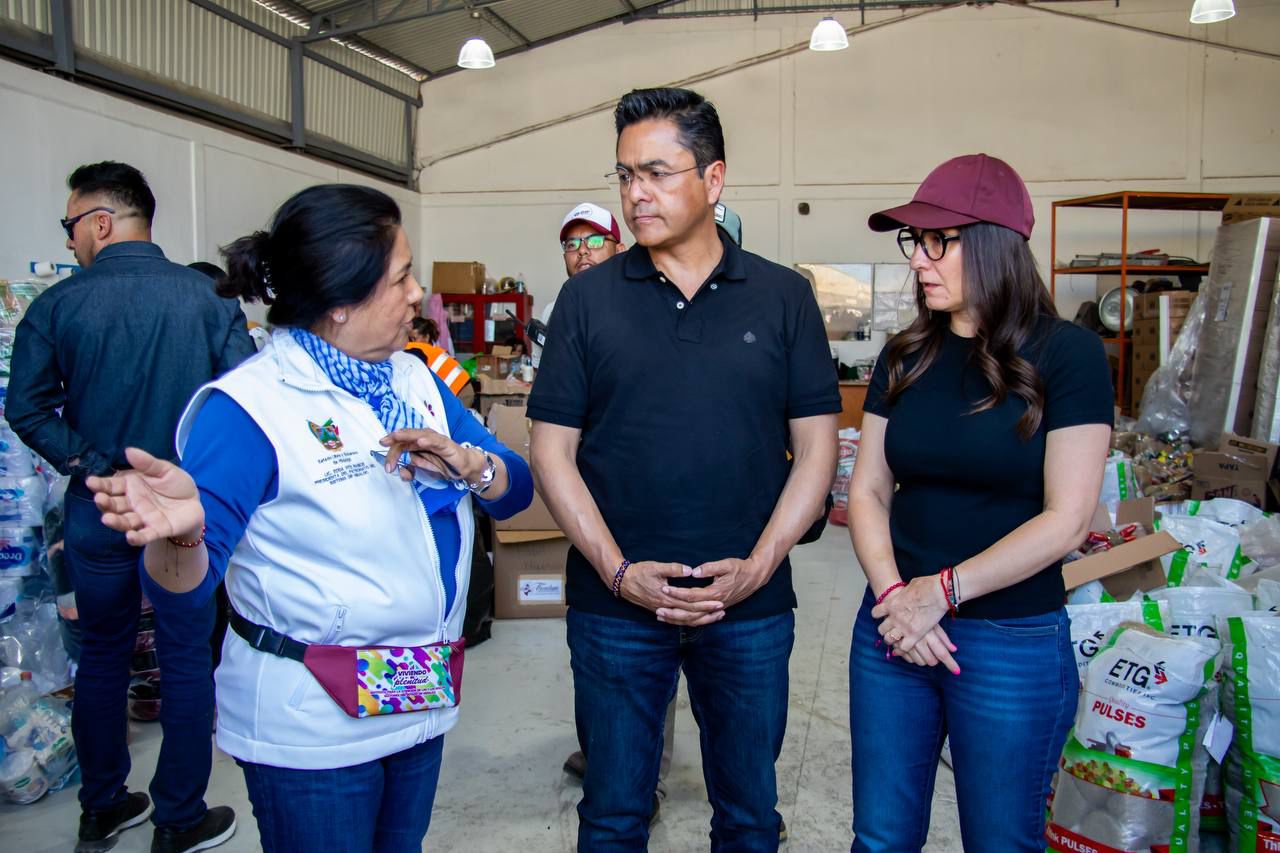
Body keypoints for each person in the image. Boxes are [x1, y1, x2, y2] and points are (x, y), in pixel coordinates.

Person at [85, 183, 533, 853]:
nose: (418, 294)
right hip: (313, 722)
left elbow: (515, 490)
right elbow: (183, 593)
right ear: (340, 302)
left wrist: (471, 464)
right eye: (401, 278)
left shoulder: (414, 380)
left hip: (415, 690)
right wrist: (181, 537)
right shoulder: (250, 408)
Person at [529, 87, 839, 852]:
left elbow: (817, 449)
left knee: (749, 816)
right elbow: (551, 451)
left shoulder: (784, 297)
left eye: (657, 173)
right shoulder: (586, 302)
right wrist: (618, 571)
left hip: (748, 609)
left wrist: (759, 566)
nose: (636, 193)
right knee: (612, 814)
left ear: (714, 177)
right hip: (615, 611)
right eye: (625, 174)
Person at [846, 154, 1114, 852]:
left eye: (939, 241)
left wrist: (941, 591)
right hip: (893, 627)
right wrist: (896, 596)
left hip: (1008, 639)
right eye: (915, 241)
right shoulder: (904, 355)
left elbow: (1067, 519)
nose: (919, 260)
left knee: (1000, 840)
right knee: (880, 838)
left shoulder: (1069, 355)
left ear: (995, 245)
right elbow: (868, 489)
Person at [8, 161, 253, 853]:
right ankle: (179, 818)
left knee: (102, 657)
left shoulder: (59, 306)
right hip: (180, 515)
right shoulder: (207, 299)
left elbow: (26, 408)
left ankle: (103, 806)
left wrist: (97, 469)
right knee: (186, 658)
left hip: (100, 510)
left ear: (100, 222)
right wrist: (188, 483)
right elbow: (244, 402)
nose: (69, 240)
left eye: (70, 225)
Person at [404, 317, 469, 397]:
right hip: (460, 389)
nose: (410, 343)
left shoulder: (425, 353)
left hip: (461, 391)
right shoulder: (432, 351)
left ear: (426, 337)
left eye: (414, 339)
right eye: (409, 339)